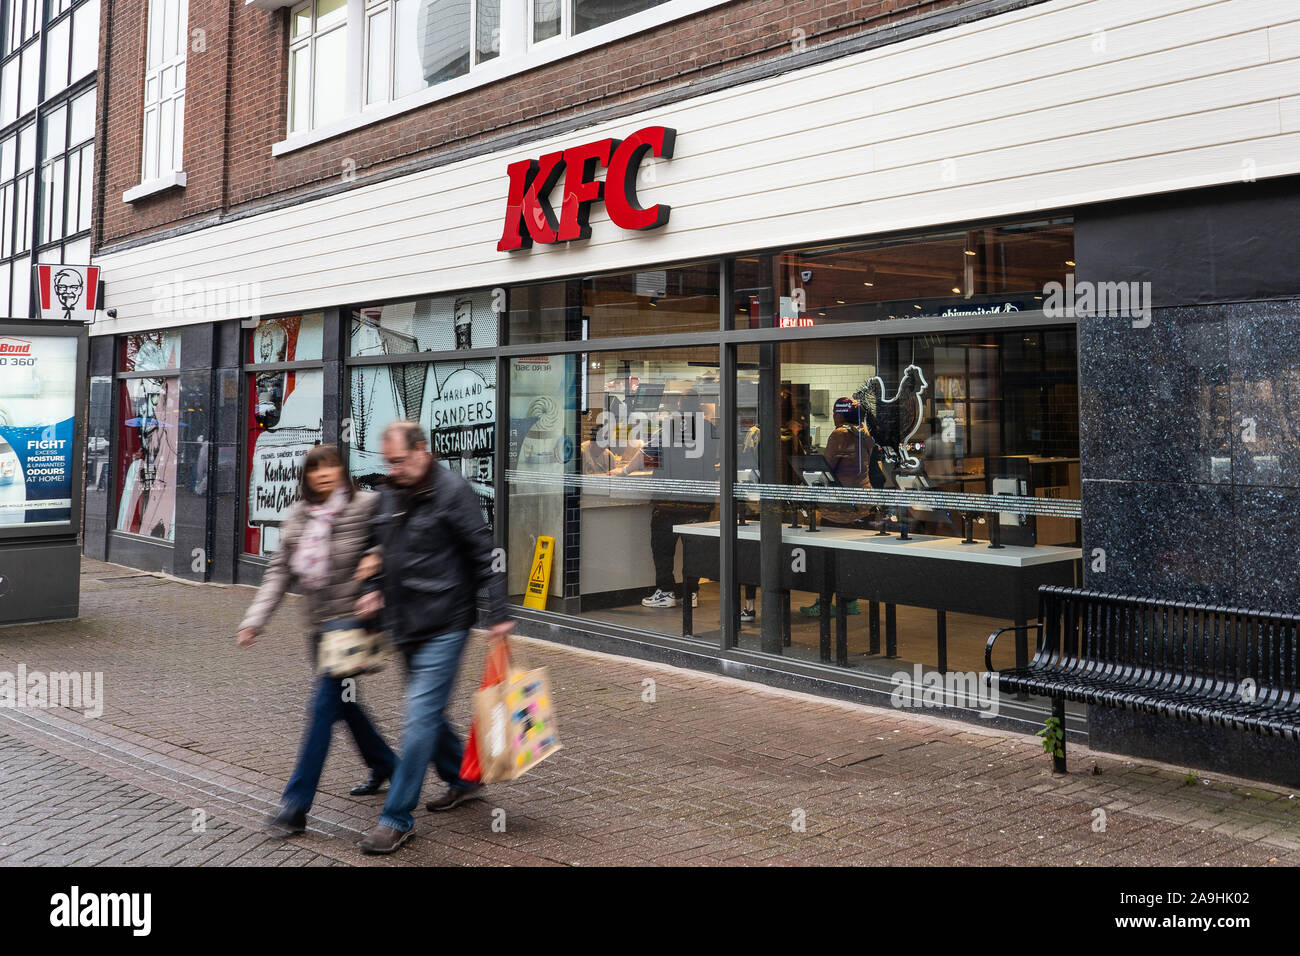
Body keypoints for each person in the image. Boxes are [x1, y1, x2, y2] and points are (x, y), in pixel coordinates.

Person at [355, 421, 513, 855]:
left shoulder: (453, 491)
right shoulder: (388, 492)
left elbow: (487, 555)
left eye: (401, 461)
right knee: (430, 713)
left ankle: (396, 818)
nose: (394, 469)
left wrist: (499, 614)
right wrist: (370, 590)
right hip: (404, 625)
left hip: (447, 621)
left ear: (422, 450)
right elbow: (373, 551)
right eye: (389, 462)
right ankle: (463, 778)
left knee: (420, 715)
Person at [236, 444, 398, 838]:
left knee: (322, 710)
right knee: (346, 706)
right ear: (307, 476)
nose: (324, 473)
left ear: (343, 471)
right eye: (316, 468)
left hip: (352, 627)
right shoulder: (297, 515)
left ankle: (295, 806)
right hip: (317, 630)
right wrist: (255, 620)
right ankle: (387, 765)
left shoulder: (364, 506)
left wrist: (375, 559)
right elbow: (278, 574)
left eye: (331, 467)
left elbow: (394, 537)